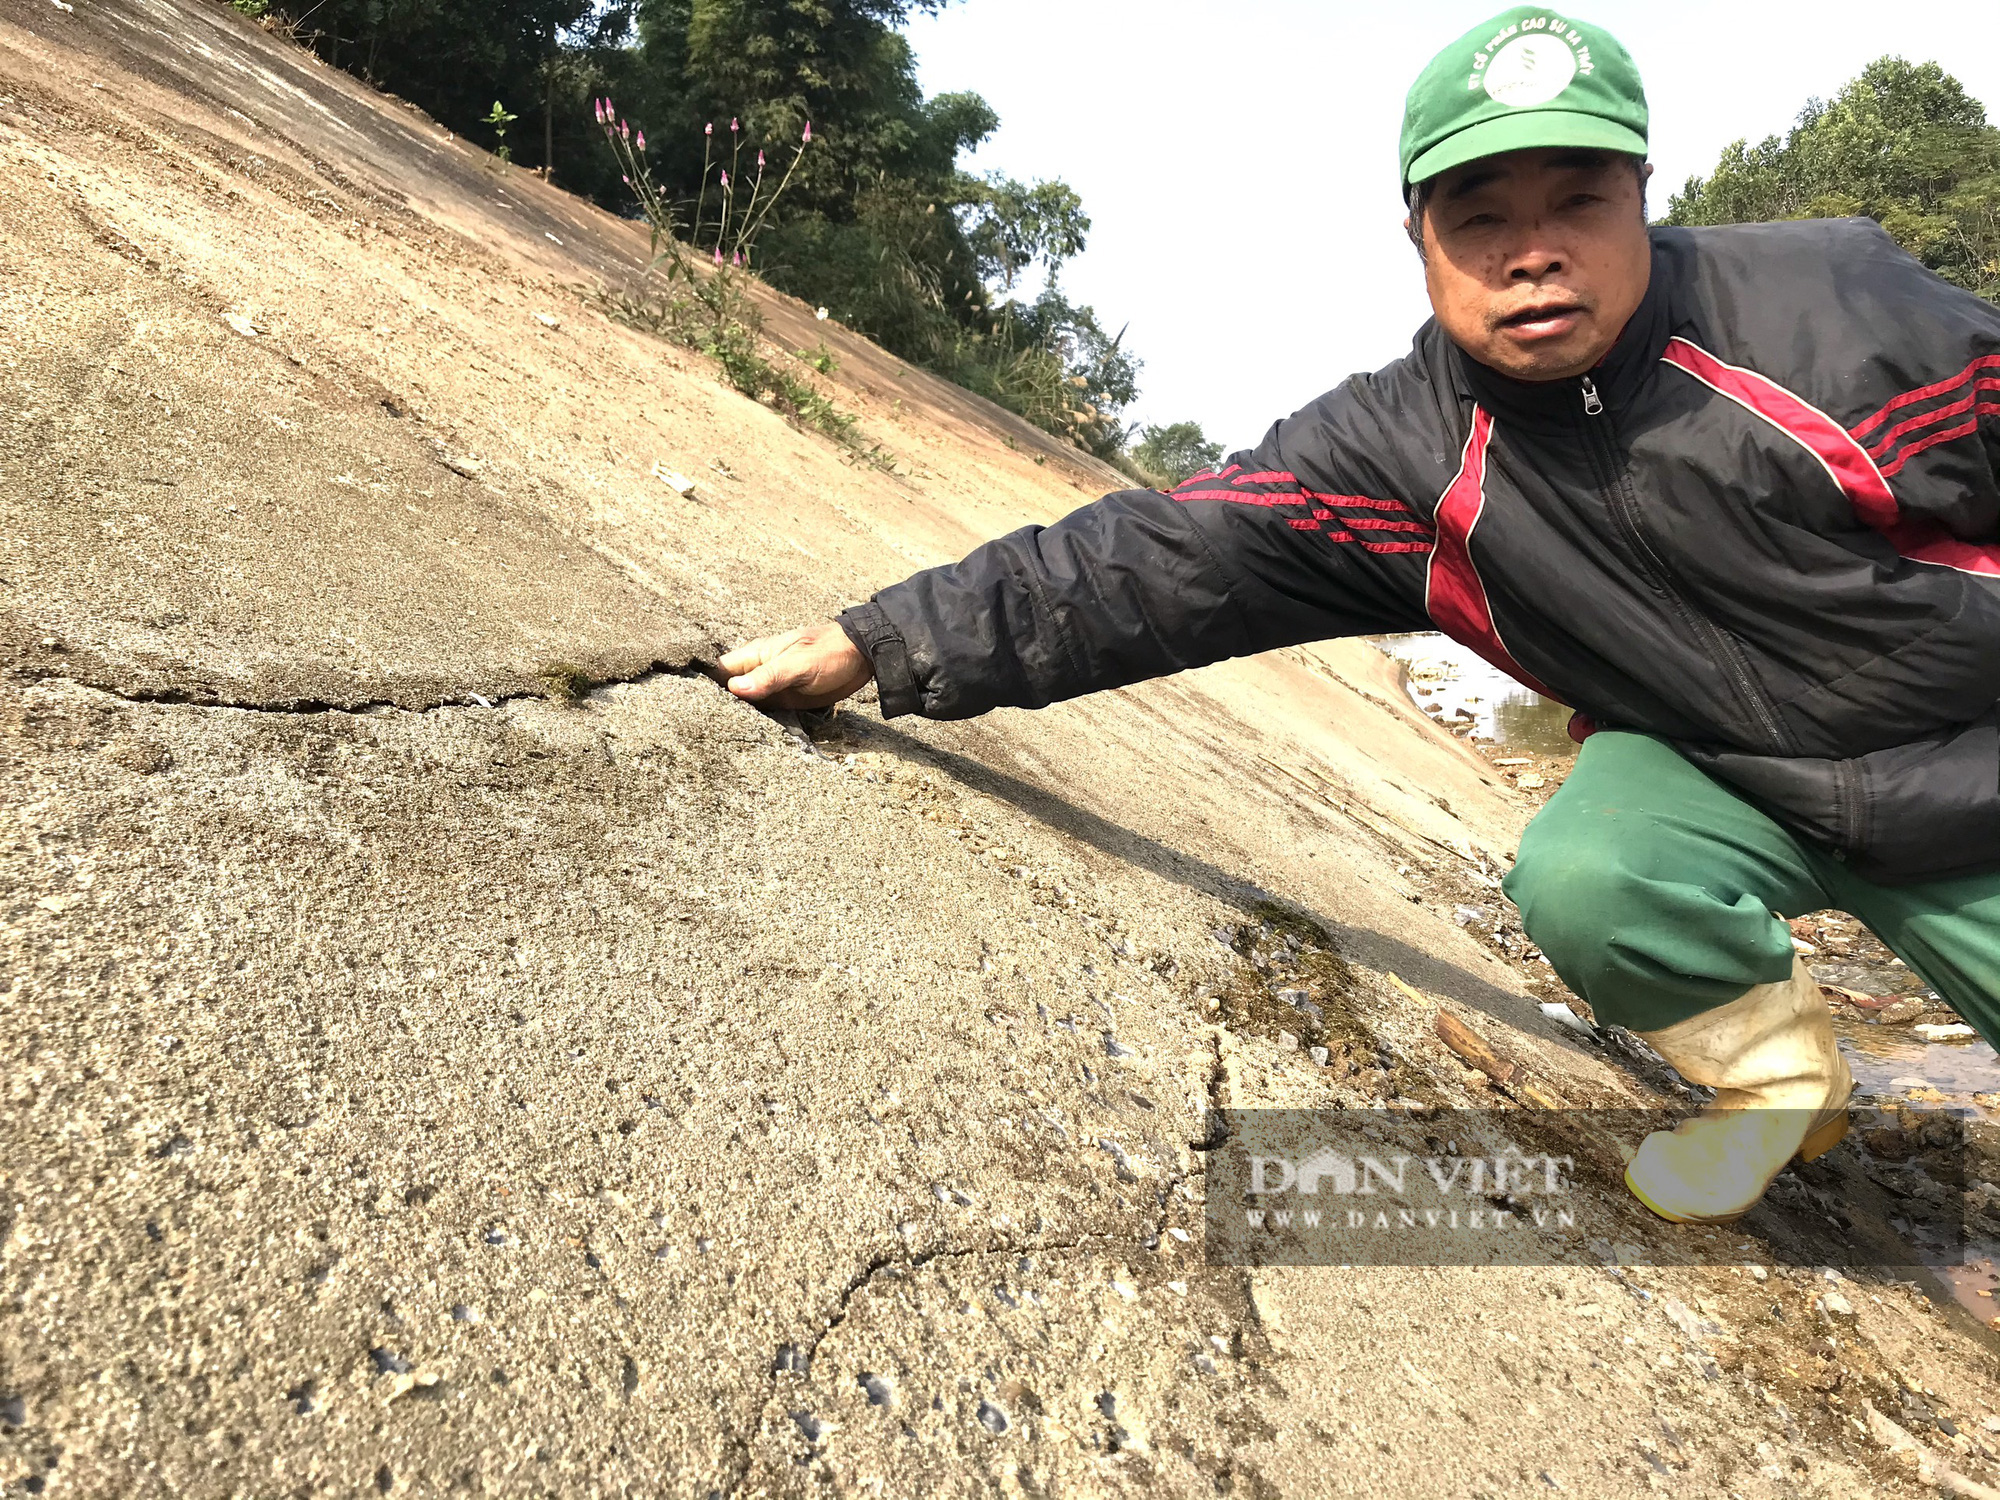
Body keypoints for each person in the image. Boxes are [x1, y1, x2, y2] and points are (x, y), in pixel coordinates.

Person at [720, 7, 2000, 1225]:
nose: (1531, 251)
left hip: (1968, 771)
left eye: (1575, 202)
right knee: (1585, 878)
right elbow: (1153, 560)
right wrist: (879, 641)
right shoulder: (1394, 454)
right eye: (1479, 218)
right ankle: (1779, 1086)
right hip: (1711, 770)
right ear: (1419, 240)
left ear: (1642, 196)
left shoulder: (1836, 314)